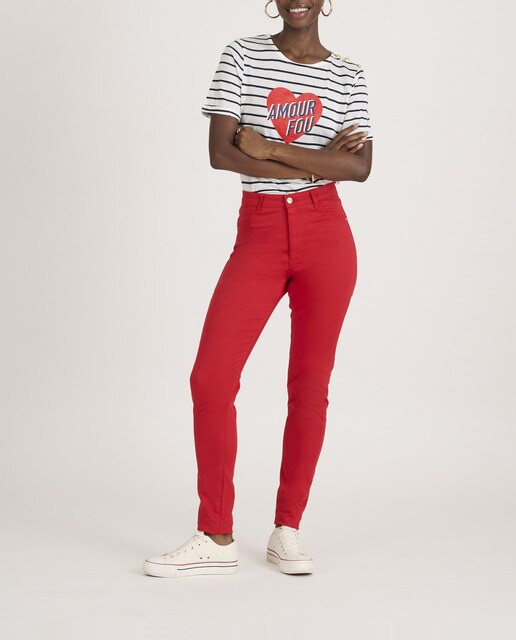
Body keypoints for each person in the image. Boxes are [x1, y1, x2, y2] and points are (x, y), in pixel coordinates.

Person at [143, 0, 373, 578]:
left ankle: (287, 529)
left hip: (327, 235)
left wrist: (268, 148)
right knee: (211, 378)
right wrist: (319, 162)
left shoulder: (348, 73)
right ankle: (216, 534)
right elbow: (221, 153)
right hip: (261, 232)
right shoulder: (241, 56)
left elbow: (360, 168)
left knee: (309, 386)